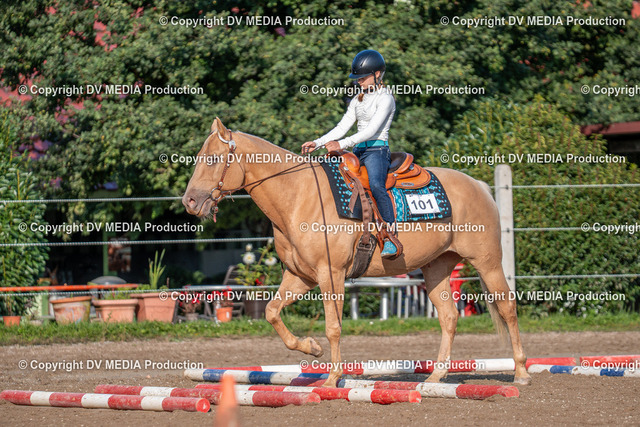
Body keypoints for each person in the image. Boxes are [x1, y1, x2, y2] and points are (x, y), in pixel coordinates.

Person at [302, 50, 398, 258]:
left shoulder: (386, 98)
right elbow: (342, 126)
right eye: (357, 78)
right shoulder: (357, 100)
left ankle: (390, 234)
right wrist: (318, 143)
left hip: (377, 151)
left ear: (378, 74)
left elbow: (371, 131)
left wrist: (341, 144)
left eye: (362, 77)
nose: (358, 81)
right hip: (358, 151)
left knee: (376, 185)